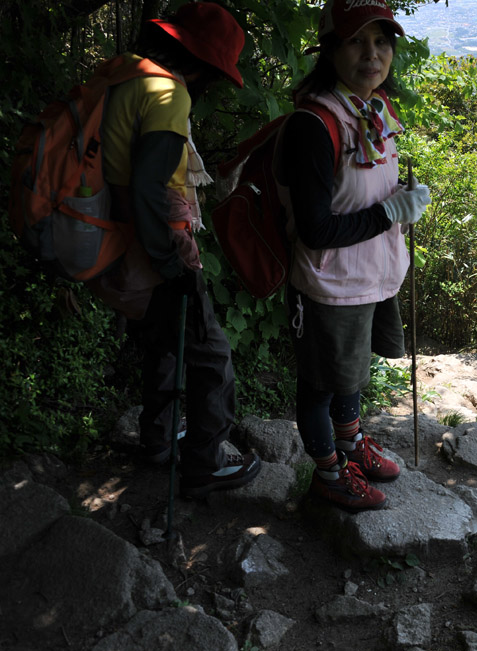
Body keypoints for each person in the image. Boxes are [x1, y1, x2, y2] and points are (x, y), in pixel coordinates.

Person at [88, 2, 260, 499]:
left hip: (118, 231)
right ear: (202, 64)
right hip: (155, 242)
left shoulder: (128, 73)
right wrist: (170, 262)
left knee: (164, 342)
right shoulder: (168, 93)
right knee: (210, 352)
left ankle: (159, 441)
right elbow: (148, 186)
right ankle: (206, 463)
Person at [276, 0, 431, 512]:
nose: (373, 53)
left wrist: (402, 198)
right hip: (331, 282)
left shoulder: (375, 108)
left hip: (372, 275)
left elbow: (368, 191)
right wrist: (391, 212)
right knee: (322, 384)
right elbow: (317, 229)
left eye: (382, 41)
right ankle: (328, 473)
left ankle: (350, 444)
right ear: (330, 50)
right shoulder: (313, 125)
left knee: (351, 373)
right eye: (356, 41)